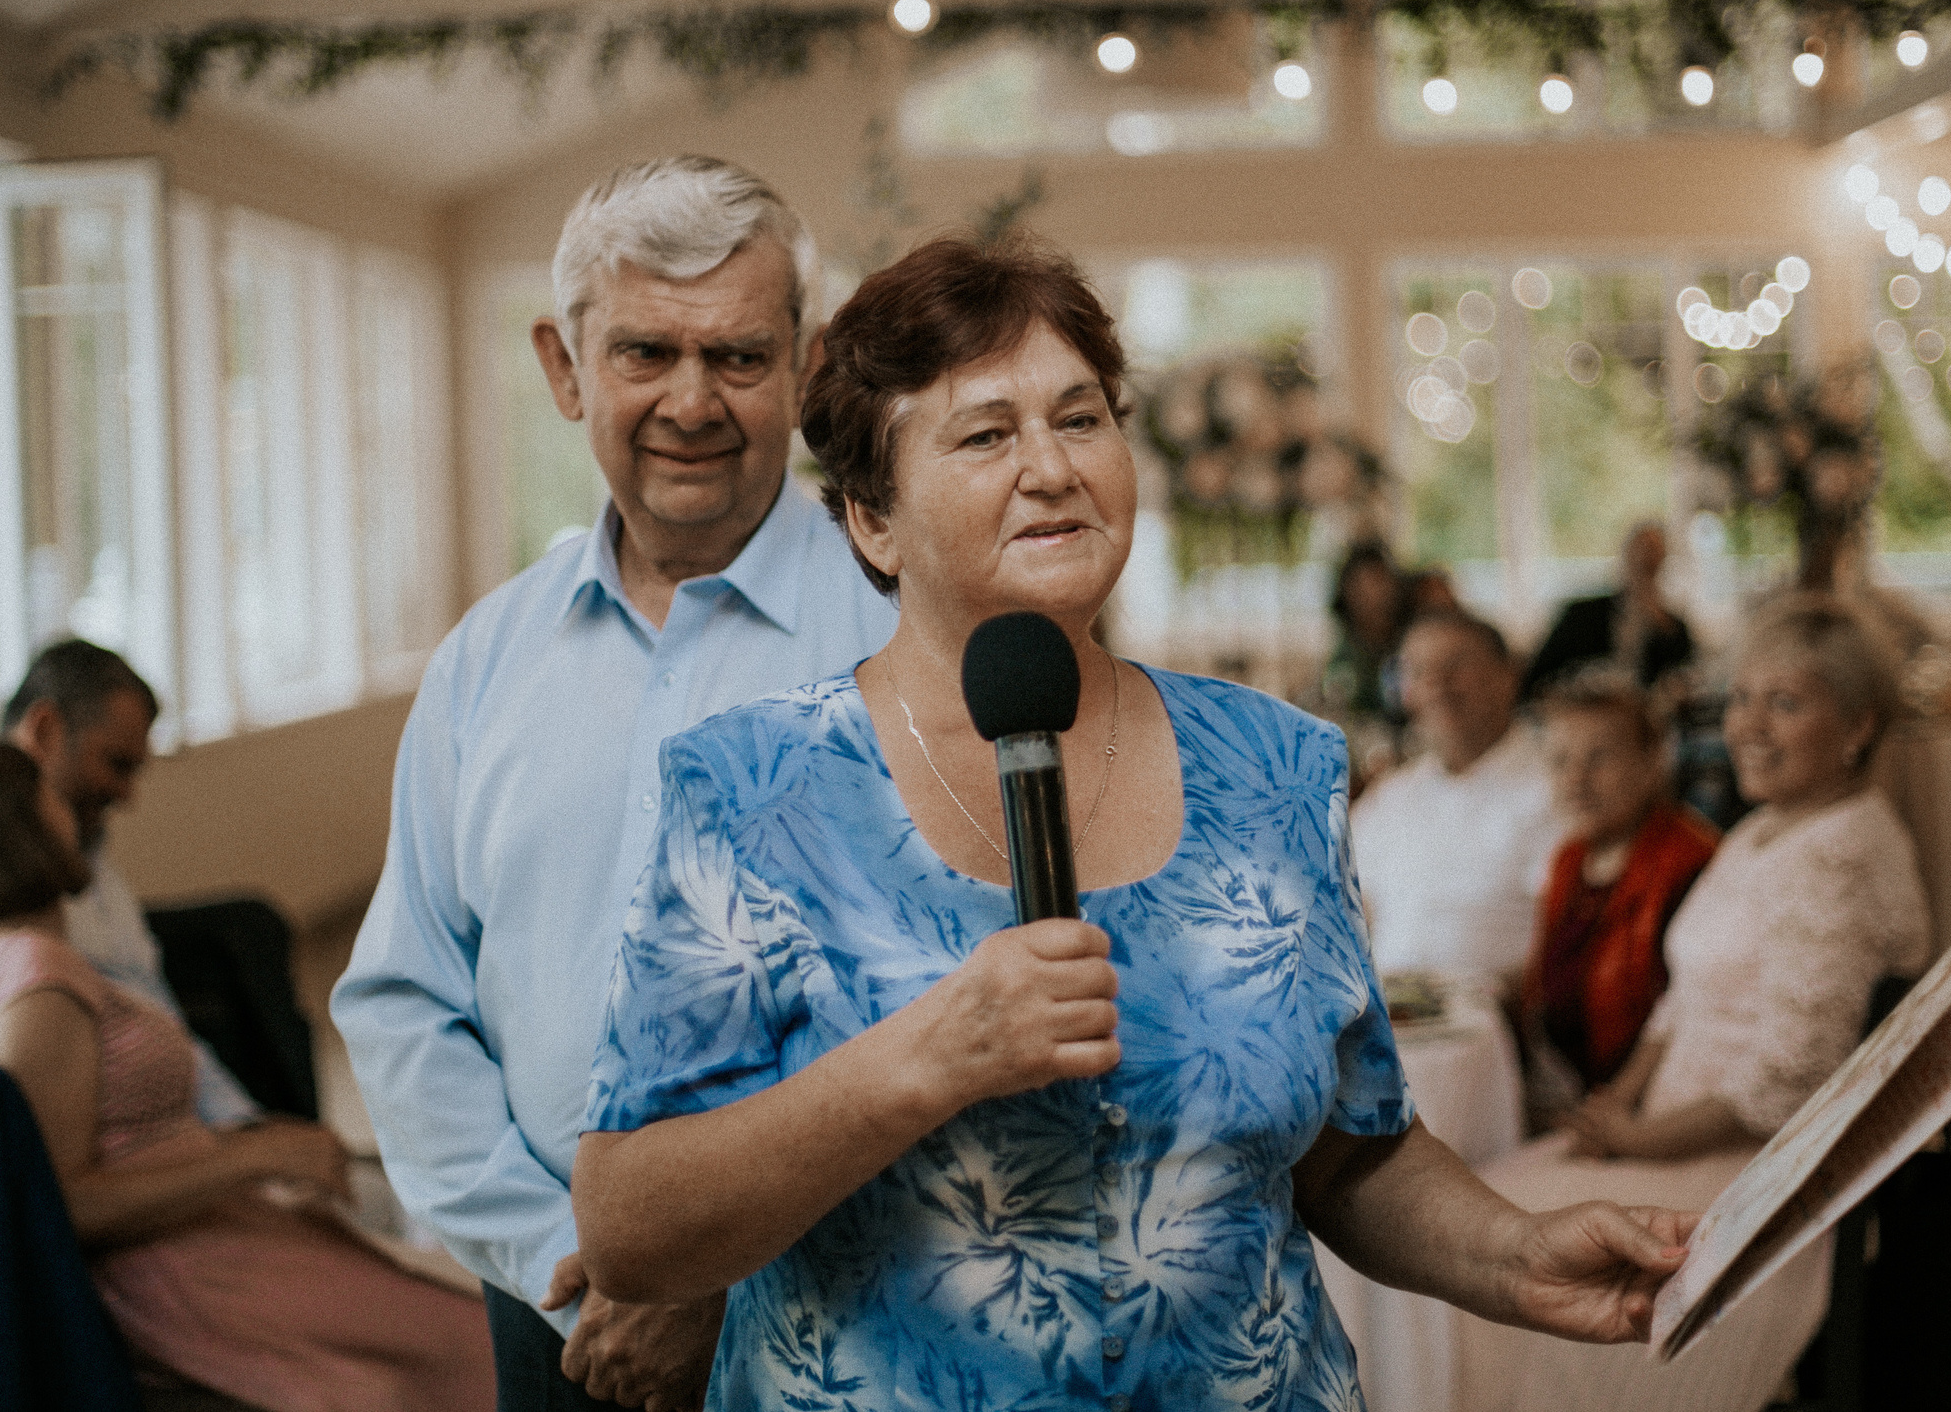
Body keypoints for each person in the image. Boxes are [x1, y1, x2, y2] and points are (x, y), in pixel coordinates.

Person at [568, 237, 1694, 1412]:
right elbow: (631, 1228)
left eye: (1082, 418)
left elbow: (1349, 1149)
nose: (1052, 469)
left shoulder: (1276, 763)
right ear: (872, 520)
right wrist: (922, 1058)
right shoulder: (751, 790)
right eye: (986, 434)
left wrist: (1517, 1256)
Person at [331, 156, 898, 1412]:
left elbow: (948, 1013)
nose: (692, 401)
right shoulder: (485, 662)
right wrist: (565, 1265)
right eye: (646, 352)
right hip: (552, 1324)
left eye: (739, 358)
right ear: (563, 365)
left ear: (803, 369)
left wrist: (717, 1278)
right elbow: (402, 1000)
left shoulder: (901, 635)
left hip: (847, 1318)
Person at [1434, 598, 1933, 1412]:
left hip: (1758, 1182)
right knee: (1459, 1223)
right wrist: (1618, 1103)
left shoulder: (1841, 852)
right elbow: (1681, 1005)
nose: (1749, 726)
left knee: (1484, 1267)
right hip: (1676, 1136)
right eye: (1741, 697)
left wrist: (1638, 1137)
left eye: (1787, 702)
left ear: (1858, 725)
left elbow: (1786, 1081)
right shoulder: (1768, 828)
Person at [0, 741, 494, 1412]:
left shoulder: (6, 960)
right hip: (177, 1273)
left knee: (451, 1297)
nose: (71, 813)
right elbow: (64, 1204)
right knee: (477, 1340)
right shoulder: (35, 977)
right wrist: (260, 1153)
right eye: (48, 795)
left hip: (205, 1238)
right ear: (14, 823)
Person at [0, 639, 258, 1130]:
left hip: (139, 1112)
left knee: (250, 928)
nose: (128, 795)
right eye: (117, 763)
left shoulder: (88, 850)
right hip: (91, 1138)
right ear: (44, 730)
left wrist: (241, 1124)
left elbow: (149, 998)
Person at [1521, 674, 1717, 1116]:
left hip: (1652, 1103)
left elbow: (1689, 1011)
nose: (1576, 779)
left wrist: (1617, 1103)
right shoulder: (1569, 858)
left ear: (1652, 763)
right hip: (1574, 1090)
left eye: (1599, 759)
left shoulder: (1688, 863)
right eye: (1560, 761)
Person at [1350, 609, 1567, 983]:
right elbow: (1348, 916)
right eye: (1418, 672)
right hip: (1388, 1019)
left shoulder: (1558, 788)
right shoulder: (1390, 797)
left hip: (1493, 1020)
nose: (1437, 685)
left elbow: (1572, 942)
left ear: (1508, 674)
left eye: (1456, 666)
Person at [1522, 521, 1695, 700]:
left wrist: (1660, 624)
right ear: (1625, 557)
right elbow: (1537, 677)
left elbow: (1684, 680)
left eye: (1652, 557)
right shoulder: (1582, 615)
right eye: (1639, 553)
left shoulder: (1672, 627)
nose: (1644, 561)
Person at [1321, 541, 1411, 726]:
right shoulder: (1345, 659)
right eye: (1363, 587)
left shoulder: (1411, 642)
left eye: (1380, 581)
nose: (1377, 595)